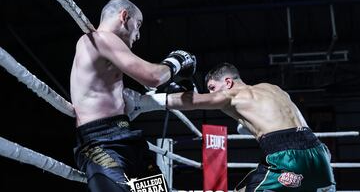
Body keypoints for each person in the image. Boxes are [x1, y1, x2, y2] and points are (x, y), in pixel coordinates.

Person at [124, 62, 336, 191]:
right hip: (318, 154)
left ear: (228, 82)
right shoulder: (273, 89)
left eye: (213, 88)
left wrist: (145, 103)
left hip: (286, 156)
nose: (213, 94)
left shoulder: (232, 94)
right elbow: (295, 125)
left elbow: (193, 101)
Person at [70, 0, 196, 192]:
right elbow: (153, 77)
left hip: (126, 137)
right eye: (137, 25)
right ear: (124, 16)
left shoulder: (107, 50)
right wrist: (178, 60)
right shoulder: (99, 38)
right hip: (100, 143)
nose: (138, 34)